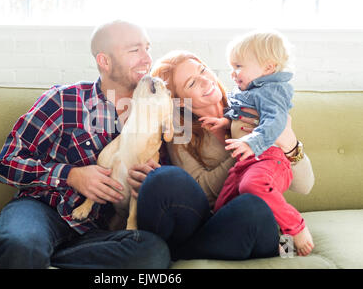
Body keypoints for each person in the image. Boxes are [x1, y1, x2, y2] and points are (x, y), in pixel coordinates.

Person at [0, 20, 171, 269]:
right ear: (104, 61)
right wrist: (70, 175)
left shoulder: (158, 109)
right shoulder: (63, 100)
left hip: (97, 231)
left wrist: (149, 183)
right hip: (42, 210)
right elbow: (5, 163)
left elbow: (164, 179)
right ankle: (19, 250)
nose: (147, 59)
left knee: (153, 254)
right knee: (23, 244)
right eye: (135, 50)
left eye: (148, 48)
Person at [131, 49, 314, 260]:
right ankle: (158, 253)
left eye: (203, 70)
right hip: (216, 222)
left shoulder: (253, 103)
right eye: (191, 83)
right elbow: (200, 190)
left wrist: (288, 142)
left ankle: (179, 254)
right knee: (163, 179)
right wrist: (247, 148)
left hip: (258, 221)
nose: (204, 80)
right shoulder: (182, 132)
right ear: (179, 101)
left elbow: (305, 186)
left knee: (253, 206)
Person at [203, 30, 314, 256]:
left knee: (253, 187)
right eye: (232, 67)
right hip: (247, 162)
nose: (233, 73)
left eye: (239, 66)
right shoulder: (251, 91)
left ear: (267, 68)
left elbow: (275, 122)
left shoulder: (272, 90)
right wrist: (225, 122)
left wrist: (252, 142)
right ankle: (280, 248)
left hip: (270, 158)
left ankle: (296, 228)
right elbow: (242, 115)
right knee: (222, 207)